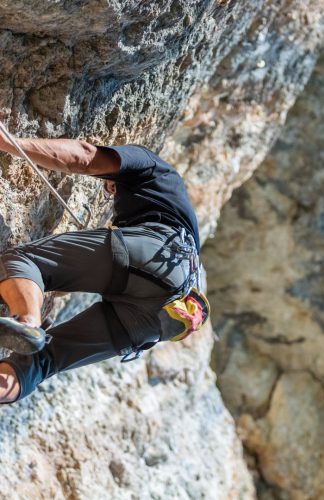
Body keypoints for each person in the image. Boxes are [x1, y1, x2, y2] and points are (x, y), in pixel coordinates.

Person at [0, 130, 204, 404]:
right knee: (41, 363)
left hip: (156, 253)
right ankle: (21, 355)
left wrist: (9, 142)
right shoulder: (172, 204)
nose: (108, 187)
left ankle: (28, 323)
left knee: (23, 262)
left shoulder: (150, 163)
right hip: (163, 317)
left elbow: (83, 156)